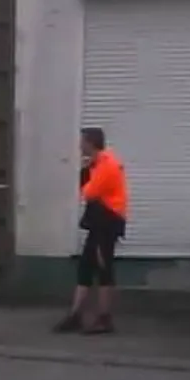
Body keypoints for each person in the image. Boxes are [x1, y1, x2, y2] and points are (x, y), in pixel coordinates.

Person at [58, 127, 128, 335]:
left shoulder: (106, 165)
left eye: (82, 141)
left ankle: (104, 319)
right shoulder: (102, 163)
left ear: (91, 143)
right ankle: (76, 315)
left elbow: (88, 193)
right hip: (100, 222)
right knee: (85, 268)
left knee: (103, 268)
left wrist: (85, 172)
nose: (79, 145)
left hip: (106, 222)